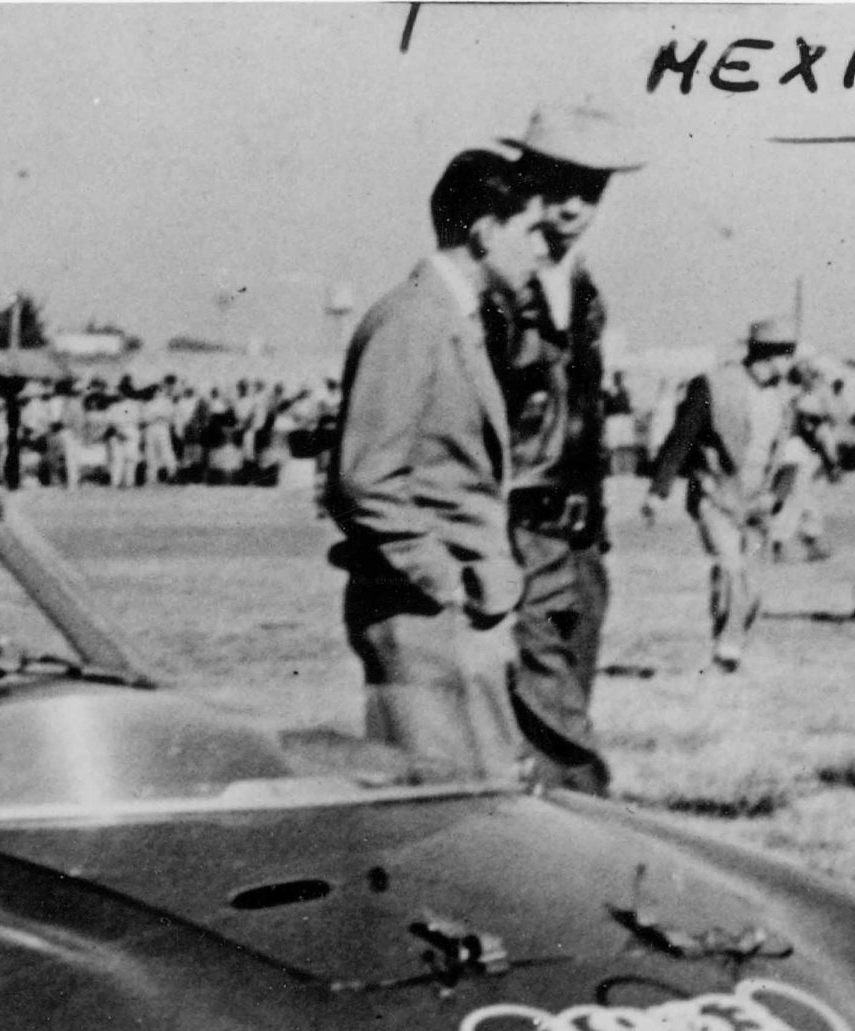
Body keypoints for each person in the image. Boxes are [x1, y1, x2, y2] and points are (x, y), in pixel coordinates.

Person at [324, 148, 546, 782]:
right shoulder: (413, 320)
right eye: (530, 231)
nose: (541, 250)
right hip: (423, 615)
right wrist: (446, 580)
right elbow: (365, 478)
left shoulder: (454, 318)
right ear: (486, 232)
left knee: (485, 797)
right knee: (447, 812)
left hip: (452, 617)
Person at [490, 100, 644, 795]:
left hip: (579, 545)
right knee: (553, 723)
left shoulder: (583, 291)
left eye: (593, 188)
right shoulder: (497, 289)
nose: (576, 205)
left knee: (563, 709)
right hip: (520, 534)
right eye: (560, 184)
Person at [645, 318, 800, 670]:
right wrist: (658, 491)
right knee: (730, 566)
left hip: (759, 500)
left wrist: (777, 496)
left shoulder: (785, 398)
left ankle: (733, 635)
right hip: (715, 494)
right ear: (768, 354)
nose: (791, 362)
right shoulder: (713, 386)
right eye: (786, 354)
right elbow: (681, 438)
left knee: (753, 583)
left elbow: (793, 455)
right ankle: (727, 646)